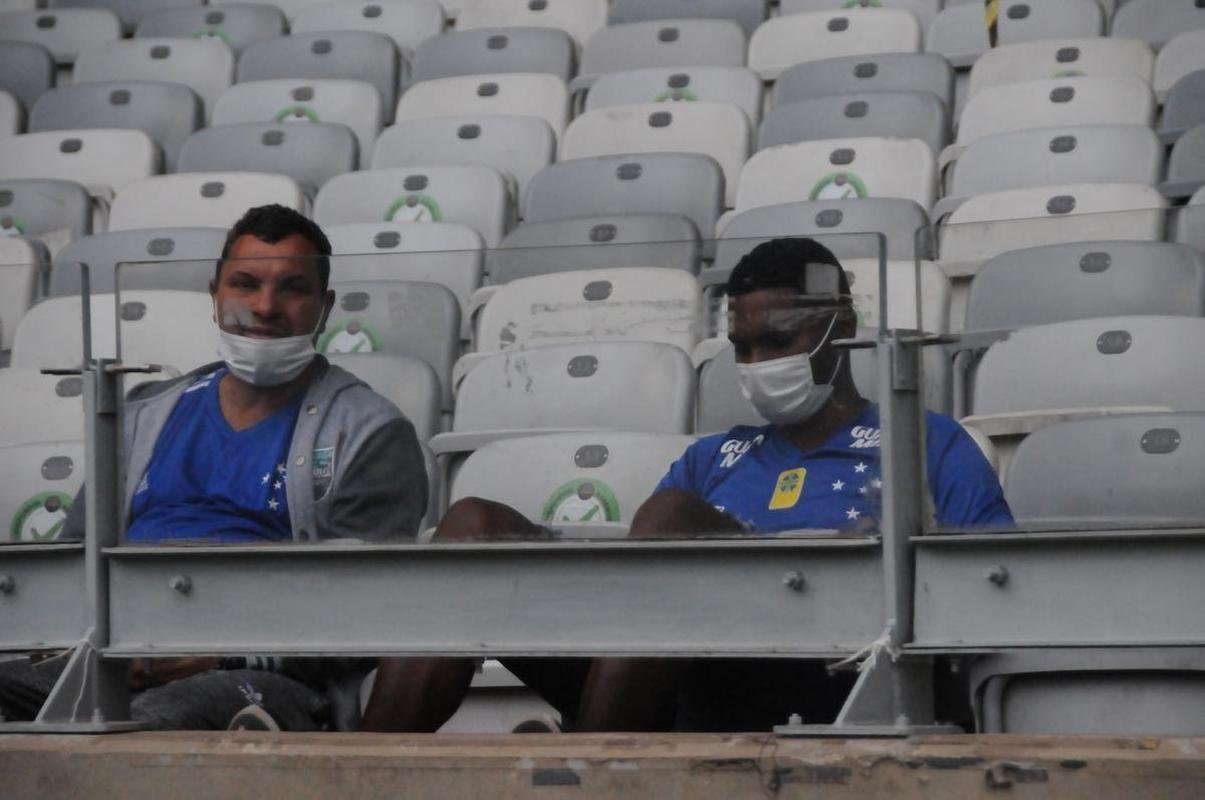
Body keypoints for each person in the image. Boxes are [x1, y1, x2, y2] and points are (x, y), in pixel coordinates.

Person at [360, 236, 1012, 733]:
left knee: (671, 518)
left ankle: (580, 766)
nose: (758, 364)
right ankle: (350, 774)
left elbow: (985, 605)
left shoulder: (922, 443)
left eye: (778, 340)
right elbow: (643, 604)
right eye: (743, 346)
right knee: (473, 525)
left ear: (841, 328)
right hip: (688, 679)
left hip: (832, 683)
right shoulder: (714, 457)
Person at [0, 204, 428, 731]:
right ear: (215, 295)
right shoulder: (141, 415)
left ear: (325, 306)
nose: (265, 306)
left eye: (292, 288)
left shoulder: (369, 432)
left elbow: (365, 614)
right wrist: (112, 643)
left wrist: (223, 654)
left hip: (257, 674)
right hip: (112, 655)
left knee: (150, 727)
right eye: (245, 284)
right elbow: (72, 570)